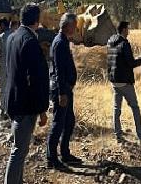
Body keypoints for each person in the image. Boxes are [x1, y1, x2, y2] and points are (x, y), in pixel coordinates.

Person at [2, 4, 49, 184]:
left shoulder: (12, 37)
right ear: (37, 20)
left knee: (19, 149)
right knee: (19, 151)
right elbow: (36, 79)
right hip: (25, 103)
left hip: (13, 99)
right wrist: (42, 109)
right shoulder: (29, 41)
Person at [46, 13, 81, 169]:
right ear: (67, 25)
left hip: (65, 87)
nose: (76, 28)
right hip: (61, 89)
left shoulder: (63, 41)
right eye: (74, 25)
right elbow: (59, 70)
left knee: (69, 121)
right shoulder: (59, 43)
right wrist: (62, 93)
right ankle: (51, 158)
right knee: (59, 122)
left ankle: (65, 153)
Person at [106, 21, 141, 142]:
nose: (129, 31)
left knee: (116, 108)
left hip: (114, 80)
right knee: (135, 107)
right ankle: (140, 135)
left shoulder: (110, 41)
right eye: (128, 29)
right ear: (124, 30)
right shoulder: (124, 43)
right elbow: (131, 63)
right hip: (125, 81)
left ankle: (118, 134)